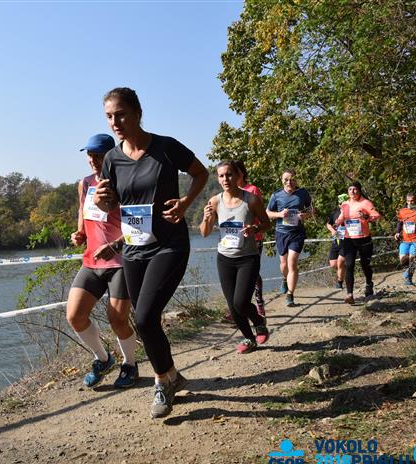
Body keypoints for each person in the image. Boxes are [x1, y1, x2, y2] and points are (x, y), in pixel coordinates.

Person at [93, 87, 208, 418]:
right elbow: (111, 204)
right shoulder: (112, 159)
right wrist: (102, 201)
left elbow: (201, 173)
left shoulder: (165, 147)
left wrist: (186, 203)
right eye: (109, 117)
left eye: (121, 114)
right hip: (133, 248)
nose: (115, 122)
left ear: (138, 113)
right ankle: (171, 375)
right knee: (145, 319)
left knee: (144, 316)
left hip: (169, 244)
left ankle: (161, 382)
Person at [67, 133, 137, 389]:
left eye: (98, 156)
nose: (93, 160)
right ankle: (103, 359)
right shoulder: (85, 183)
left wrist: (116, 245)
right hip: (92, 262)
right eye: (90, 155)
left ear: (111, 155)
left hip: (121, 262)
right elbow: (83, 212)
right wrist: (80, 234)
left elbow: (139, 224)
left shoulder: (127, 182)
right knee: (75, 316)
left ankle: (130, 364)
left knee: (117, 320)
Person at [200, 161, 272, 354]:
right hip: (224, 258)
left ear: (238, 176)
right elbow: (204, 232)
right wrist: (206, 218)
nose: (226, 179)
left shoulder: (251, 200)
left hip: (248, 258)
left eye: (229, 174)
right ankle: (249, 338)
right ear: (218, 179)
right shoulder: (215, 201)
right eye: (221, 176)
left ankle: (259, 321)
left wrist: (255, 228)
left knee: (240, 302)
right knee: (232, 307)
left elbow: (267, 223)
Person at [266, 170, 314, 307]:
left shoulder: (303, 193)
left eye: (292, 179)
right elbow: (267, 213)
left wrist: (305, 215)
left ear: (296, 180)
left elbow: (311, 210)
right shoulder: (276, 195)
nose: (289, 182)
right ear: (282, 180)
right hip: (281, 232)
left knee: (292, 262)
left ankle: (290, 295)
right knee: (284, 263)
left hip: (297, 233)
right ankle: (284, 279)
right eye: (286, 179)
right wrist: (280, 214)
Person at [335, 182, 381, 304]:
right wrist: (337, 222)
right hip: (349, 239)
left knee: (365, 264)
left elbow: (376, 216)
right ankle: (349, 294)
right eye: (350, 189)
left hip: (364, 239)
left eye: (355, 189)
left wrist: (366, 217)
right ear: (347, 191)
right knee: (349, 265)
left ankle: (369, 284)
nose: (352, 191)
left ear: (359, 190)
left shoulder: (365, 203)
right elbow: (342, 217)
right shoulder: (345, 204)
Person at [234, 160, 267, 318]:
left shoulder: (252, 190)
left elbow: (261, 215)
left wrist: (252, 227)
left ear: (242, 173)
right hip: (234, 238)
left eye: (236, 171)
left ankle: (259, 304)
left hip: (254, 237)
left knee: (252, 273)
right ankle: (236, 308)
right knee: (234, 272)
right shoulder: (229, 192)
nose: (233, 175)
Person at [326, 193, 349, 289]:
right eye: (340, 204)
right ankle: (344, 270)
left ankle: (340, 283)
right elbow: (328, 224)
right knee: (333, 264)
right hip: (336, 239)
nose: (341, 205)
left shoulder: (351, 212)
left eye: (343, 203)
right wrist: (332, 230)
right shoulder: (334, 213)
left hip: (347, 240)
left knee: (340, 262)